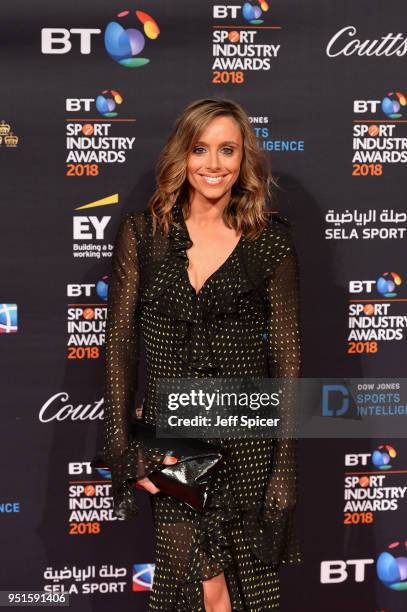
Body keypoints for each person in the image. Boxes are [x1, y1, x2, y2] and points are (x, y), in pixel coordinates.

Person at [98, 97, 302, 611]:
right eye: (200, 149)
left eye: (227, 150)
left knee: (245, 594)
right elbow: (119, 347)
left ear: (244, 159)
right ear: (181, 157)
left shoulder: (269, 240)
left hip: (248, 438)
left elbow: (288, 358)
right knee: (194, 582)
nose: (213, 164)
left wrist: (285, 465)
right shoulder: (143, 234)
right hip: (173, 439)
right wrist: (126, 448)